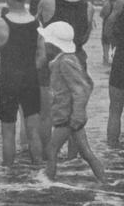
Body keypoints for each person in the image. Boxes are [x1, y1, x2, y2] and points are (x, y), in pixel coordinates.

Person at [0, 0, 45, 166]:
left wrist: (5, 74)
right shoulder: (36, 23)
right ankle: (39, 174)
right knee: (33, 131)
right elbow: (42, 57)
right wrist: (28, 72)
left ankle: (8, 175)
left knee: (8, 132)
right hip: (30, 80)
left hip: (8, 81)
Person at [37, 0, 94, 157]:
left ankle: (47, 157)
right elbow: (84, 38)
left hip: (50, 61)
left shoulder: (47, 2)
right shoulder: (89, 6)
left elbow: (38, 28)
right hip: (77, 61)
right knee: (74, 117)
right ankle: (73, 162)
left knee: (46, 114)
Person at [40, 22, 105, 182]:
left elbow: (81, 88)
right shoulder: (65, 59)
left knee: (52, 149)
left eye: (46, 41)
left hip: (68, 117)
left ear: (53, 44)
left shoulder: (65, 62)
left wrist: (77, 114)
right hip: (72, 116)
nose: (44, 43)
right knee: (86, 153)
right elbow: (86, 85)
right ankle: (104, 181)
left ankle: (47, 182)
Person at [106, 0, 124, 147]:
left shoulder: (121, 2)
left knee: (115, 110)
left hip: (122, 56)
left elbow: (108, 26)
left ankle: (112, 150)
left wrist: (115, 42)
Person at [100, 0, 119, 65]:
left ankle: (106, 60)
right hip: (117, 27)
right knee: (115, 44)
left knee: (105, 43)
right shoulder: (120, 4)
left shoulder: (107, 4)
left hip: (107, 26)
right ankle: (115, 60)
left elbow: (101, 15)